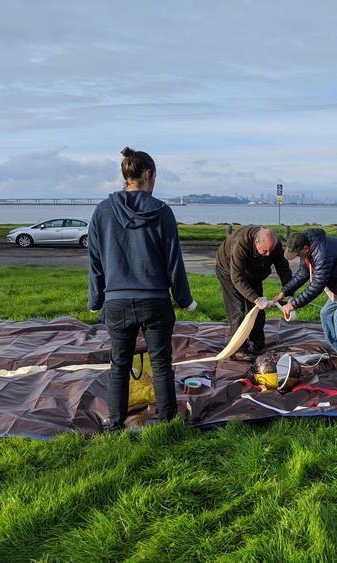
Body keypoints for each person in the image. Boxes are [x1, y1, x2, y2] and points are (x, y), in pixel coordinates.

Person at [88, 147, 197, 432]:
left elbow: (95, 261)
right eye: (155, 176)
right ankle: (168, 421)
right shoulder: (162, 211)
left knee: (118, 365)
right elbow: (174, 261)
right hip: (155, 301)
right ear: (148, 175)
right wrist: (185, 299)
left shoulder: (102, 211)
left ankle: (114, 424)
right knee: (161, 363)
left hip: (117, 302)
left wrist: (95, 299)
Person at [275, 229, 337, 373]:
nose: (298, 257)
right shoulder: (308, 251)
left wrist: (293, 304)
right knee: (326, 314)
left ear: (305, 248)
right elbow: (302, 274)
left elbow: (317, 285)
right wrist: (283, 293)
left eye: (298, 254)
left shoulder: (322, 253)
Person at [215, 226, 292, 361]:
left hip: (254, 274)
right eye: (265, 250)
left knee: (258, 311)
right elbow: (237, 277)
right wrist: (255, 298)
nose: (268, 254)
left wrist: (289, 293)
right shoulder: (241, 243)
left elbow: (284, 270)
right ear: (256, 242)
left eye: (271, 250)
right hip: (229, 272)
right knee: (237, 311)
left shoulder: (275, 246)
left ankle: (258, 345)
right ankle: (239, 349)